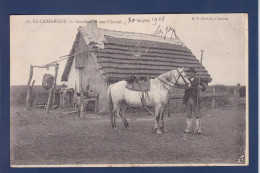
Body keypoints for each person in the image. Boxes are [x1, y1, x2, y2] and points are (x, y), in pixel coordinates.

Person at [183, 68, 206, 134]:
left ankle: (198, 129)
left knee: (197, 114)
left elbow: (204, 88)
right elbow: (185, 89)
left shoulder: (198, 80)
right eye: (189, 72)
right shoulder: (187, 80)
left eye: (191, 72)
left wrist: (201, 87)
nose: (190, 73)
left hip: (195, 99)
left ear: (194, 73)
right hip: (188, 99)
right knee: (188, 114)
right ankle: (189, 128)